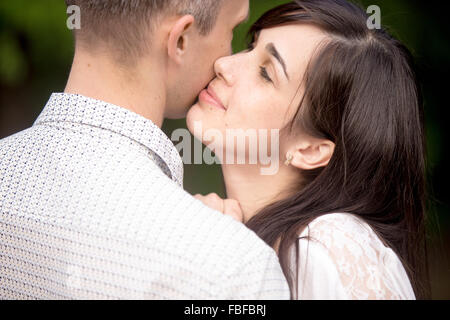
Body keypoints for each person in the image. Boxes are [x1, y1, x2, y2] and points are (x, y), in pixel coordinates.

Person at [0, 0, 290, 299]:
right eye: (233, 30)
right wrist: (219, 245)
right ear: (180, 40)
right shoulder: (233, 269)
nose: (226, 62)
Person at [191, 0, 430, 300]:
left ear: (311, 149)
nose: (224, 65)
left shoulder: (328, 246)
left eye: (266, 73)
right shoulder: (247, 238)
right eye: (251, 46)